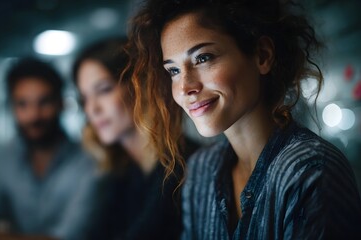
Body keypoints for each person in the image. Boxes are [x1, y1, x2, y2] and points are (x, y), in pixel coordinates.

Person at [124, 0, 361, 239]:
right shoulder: (200, 170)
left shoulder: (309, 170)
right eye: (174, 71)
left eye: (203, 58)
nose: (185, 86)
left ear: (262, 56)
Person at [0, 58, 101, 240]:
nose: (34, 115)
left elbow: (66, 238)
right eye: (22, 104)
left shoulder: (89, 161)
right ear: (12, 108)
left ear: (61, 104)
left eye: (44, 102)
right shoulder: (8, 158)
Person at [72, 37, 198, 240]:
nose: (92, 109)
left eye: (104, 90)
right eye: (84, 99)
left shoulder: (184, 164)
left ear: (139, 86)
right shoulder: (119, 173)